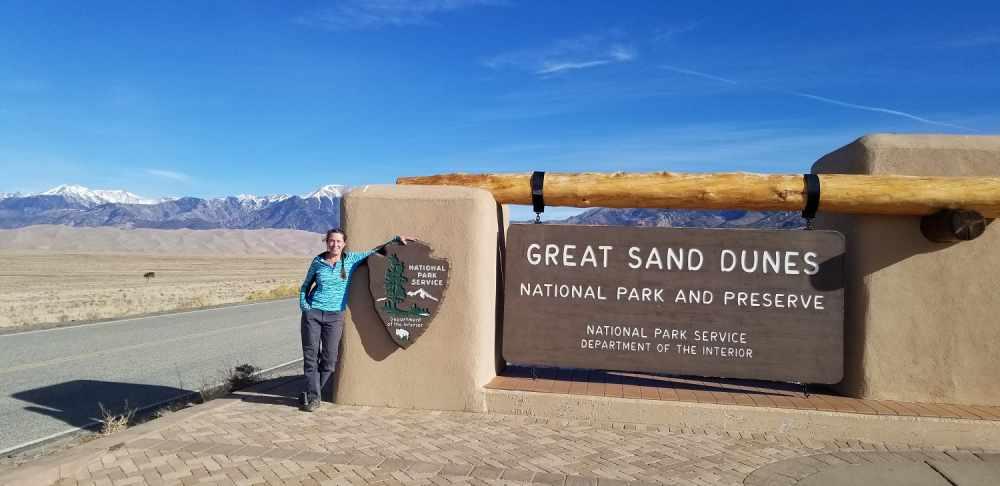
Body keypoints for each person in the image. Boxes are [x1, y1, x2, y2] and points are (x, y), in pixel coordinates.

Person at [298, 228, 414, 412]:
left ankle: (313, 391)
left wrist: (396, 240)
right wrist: (305, 305)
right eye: (331, 241)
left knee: (329, 358)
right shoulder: (318, 262)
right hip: (313, 314)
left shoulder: (350, 260)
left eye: (338, 242)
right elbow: (305, 286)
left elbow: (373, 251)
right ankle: (314, 398)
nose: (334, 244)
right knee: (311, 357)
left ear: (344, 244)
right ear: (326, 242)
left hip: (335, 316)